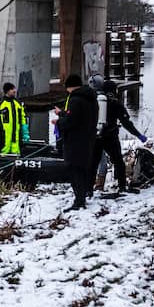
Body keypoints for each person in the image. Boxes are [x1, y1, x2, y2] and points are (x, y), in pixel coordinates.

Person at [92, 80, 147, 194]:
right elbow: (126, 123)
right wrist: (138, 135)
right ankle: (122, 186)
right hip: (111, 137)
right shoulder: (116, 104)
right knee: (118, 162)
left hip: (96, 136)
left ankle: (88, 189)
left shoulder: (96, 102)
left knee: (93, 163)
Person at [54, 73, 99, 211]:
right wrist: (62, 114)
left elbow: (71, 121)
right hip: (88, 139)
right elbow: (81, 117)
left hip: (75, 141)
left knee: (74, 170)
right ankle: (84, 195)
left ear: (70, 87)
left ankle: (79, 202)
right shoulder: (91, 99)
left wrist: (58, 122)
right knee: (84, 169)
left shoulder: (75, 100)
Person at [0, 82, 29, 154]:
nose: (14, 91)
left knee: (16, 152)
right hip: (4, 135)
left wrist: (25, 133)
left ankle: (16, 162)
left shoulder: (18, 103)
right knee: (4, 151)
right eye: (12, 89)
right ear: (7, 91)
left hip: (16, 135)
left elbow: (23, 118)